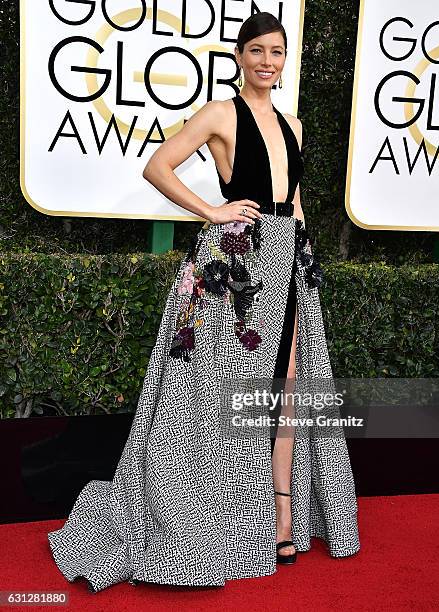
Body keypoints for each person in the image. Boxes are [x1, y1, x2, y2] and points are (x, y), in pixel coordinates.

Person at [47, 12, 360, 593]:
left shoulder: (292, 121)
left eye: (277, 52)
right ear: (240, 55)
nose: (269, 61)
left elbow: (291, 198)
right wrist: (214, 211)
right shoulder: (221, 113)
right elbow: (156, 166)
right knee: (222, 390)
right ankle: (210, 521)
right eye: (258, 51)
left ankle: (282, 514)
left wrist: (299, 253)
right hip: (237, 264)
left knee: (287, 383)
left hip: (288, 262)